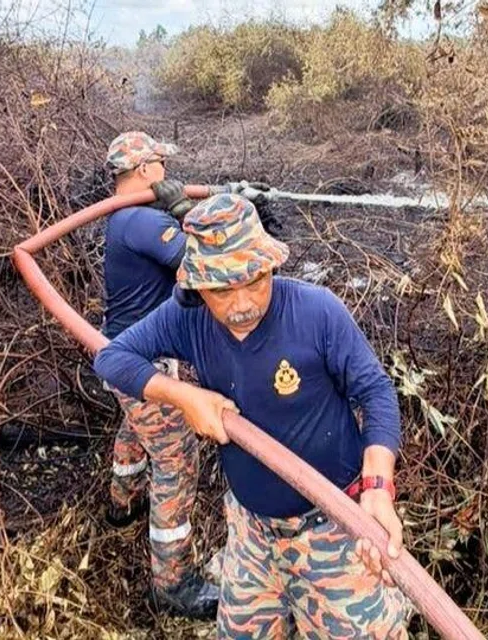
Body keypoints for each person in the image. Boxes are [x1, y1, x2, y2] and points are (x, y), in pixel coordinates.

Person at [95, 193, 409, 638]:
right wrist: (185, 396)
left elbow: (376, 392)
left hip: (334, 528)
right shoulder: (189, 319)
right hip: (251, 533)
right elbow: (112, 358)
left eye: (255, 280)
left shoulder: (317, 313)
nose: (242, 302)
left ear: (270, 267)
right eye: (222, 289)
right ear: (196, 288)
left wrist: (378, 486)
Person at [100, 131, 267, 619]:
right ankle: (171, 582)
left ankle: (122, 504)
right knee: (175, 459)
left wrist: (225, 201)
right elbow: (201, 266)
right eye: (161, 167)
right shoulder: (140, 221)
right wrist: (183, 215)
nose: (167, 175)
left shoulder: (119, 216)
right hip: (141, 360)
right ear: (147, 170)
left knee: (134, 430)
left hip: (131, 354)